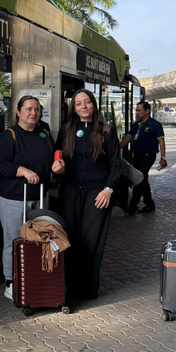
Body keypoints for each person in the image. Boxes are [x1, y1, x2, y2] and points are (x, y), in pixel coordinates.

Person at [52, 89, 120, 300]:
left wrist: (108, 189)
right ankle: (70, 287)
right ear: (74, 108)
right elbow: (58, 158)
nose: (83, 106)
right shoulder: (66, 130)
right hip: (70, 191)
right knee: (70, 238)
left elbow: (116, 164)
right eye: (79, 103)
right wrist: (58, 169)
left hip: (98, 192)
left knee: (92, 241)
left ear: (93, 105)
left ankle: (89, 289)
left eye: (87, 102)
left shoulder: (106, 131)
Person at [0, 95, 55, 300]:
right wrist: (23, 170)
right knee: (13, 240)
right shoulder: (9, 135)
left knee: (39, 240)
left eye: (36, 109)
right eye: (28, 109)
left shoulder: (44, 134)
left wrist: (58, 169)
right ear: (18, 112)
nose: (33, 113)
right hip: (14, 198)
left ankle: (34, 277)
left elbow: (51, 162)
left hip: (40, 197)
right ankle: (10, 281)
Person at [120, 101, 167, 214]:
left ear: (147, 111)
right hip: (136, 155)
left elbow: (161, 142)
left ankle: (132, 206)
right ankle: (149, 203)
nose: (137, 113)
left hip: (148, 156)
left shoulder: (155, 125)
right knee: (143, 178)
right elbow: (127, 139)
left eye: (139, 110)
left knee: (139, 178)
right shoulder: (136, 125)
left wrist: (163, 158)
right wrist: (115, 148)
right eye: (136, 110)